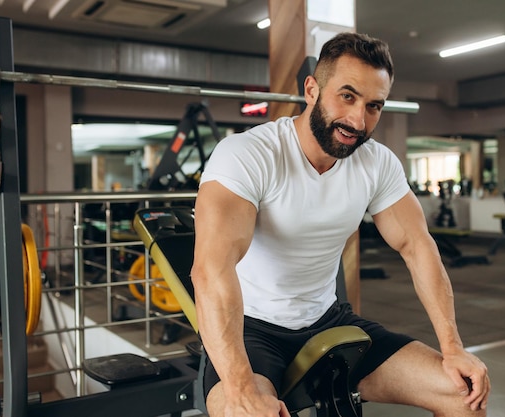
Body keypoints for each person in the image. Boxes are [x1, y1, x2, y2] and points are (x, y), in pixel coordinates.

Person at [191, 32, 490, 417]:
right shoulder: (248, 155)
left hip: (327, 319)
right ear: (312, 90)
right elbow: (211, 270)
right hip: (252, 328)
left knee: (463, 394)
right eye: (347, 96)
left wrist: (452, 348)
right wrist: (239, 386)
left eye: (374, 106)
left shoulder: (377, 164)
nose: (358, 120)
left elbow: (417, 246)